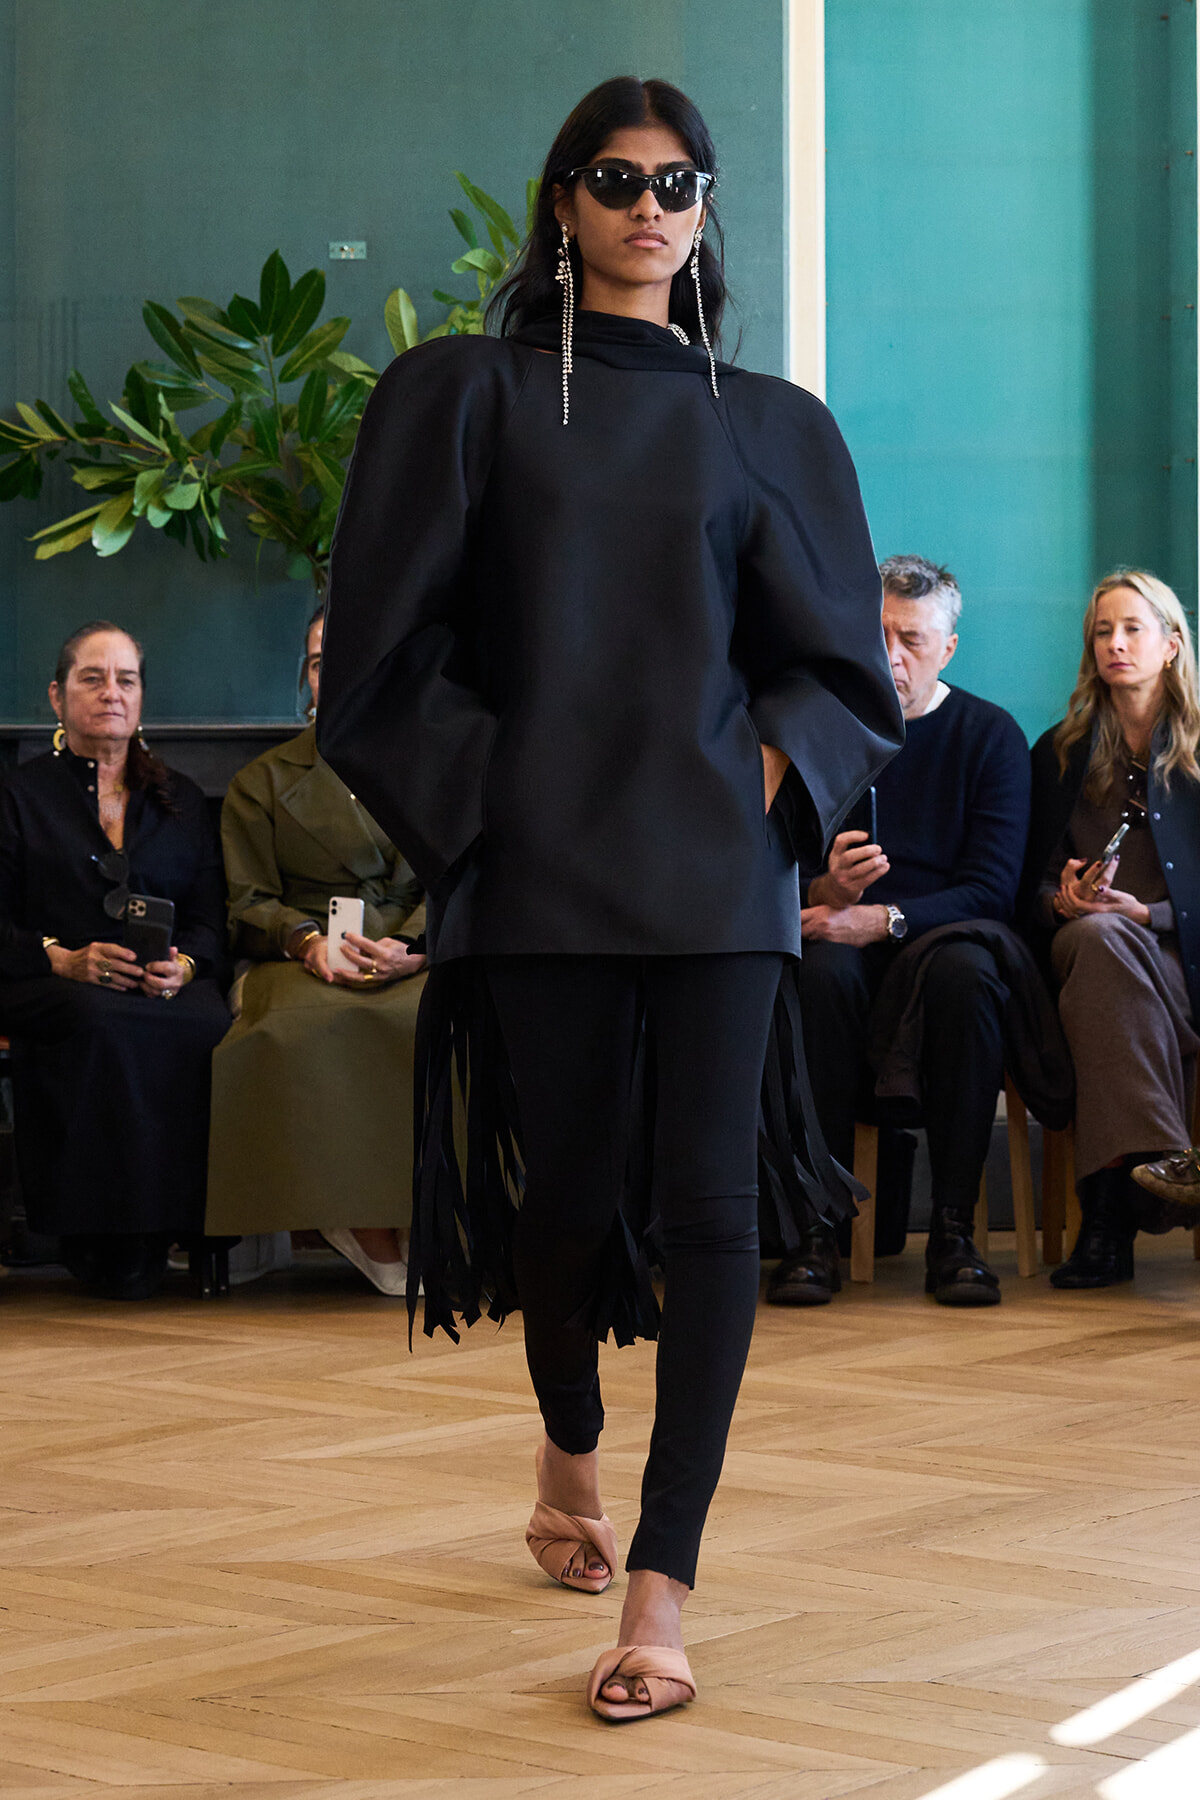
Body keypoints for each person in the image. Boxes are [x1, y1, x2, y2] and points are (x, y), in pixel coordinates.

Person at [317, 76, 903, 1722]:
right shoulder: (463, 395)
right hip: (542, 873)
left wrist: (763, 791)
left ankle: (664, 1587)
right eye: (615, 177)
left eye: (680, 182)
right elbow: (375, 663)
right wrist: (506, 804)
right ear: (562, 200)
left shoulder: (773, 422)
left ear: (708, 211)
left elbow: (846, 671)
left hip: (717, 874)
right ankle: (567, 1448)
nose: (651, 205)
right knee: (567, 1205)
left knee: (712, 1210)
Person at [770, 556, 1032, 1308]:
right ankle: (814, 1231)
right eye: (878, 633)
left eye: (912, 638)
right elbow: (774, 869)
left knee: (966, 976)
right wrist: (827, 889)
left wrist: (880, 918)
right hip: (836, 945)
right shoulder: (818, 733)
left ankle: (953, 1231)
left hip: (940, 944)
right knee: (818, 972)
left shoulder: (989, 736)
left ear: (947, 648)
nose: (891, 654)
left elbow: (993, 890)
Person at [0, 621, 229, 1299]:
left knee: (208, 1025)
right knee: (101, 1021)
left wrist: (184, 967)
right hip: (44, 980)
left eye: (125, 679)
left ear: (141, 697)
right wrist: (60, 960)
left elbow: (211, 920)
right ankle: (102, 1238)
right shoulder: (17, 796)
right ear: (56, 696)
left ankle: (183, 1228)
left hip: (160, 983)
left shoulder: (180, 799)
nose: (110, 693)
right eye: (91, 678)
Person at [204, 606, 428, 1291]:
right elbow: (247, 902)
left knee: (446, 1016)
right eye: (320, 660)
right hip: (301, 956)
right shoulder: (263, 783)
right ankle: (356, 1212)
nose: (336, 670)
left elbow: (468, 876)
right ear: (305, 680)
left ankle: (435, 1211)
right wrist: (306, 944)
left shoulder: (436, 768)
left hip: (416, 949)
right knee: (310, 1023)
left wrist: (416, 945)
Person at [1022, 569, 1200, 1285]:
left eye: (1133, 629)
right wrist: (1060, 900)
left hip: (1178, 963)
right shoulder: (1057, 754)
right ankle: (1168, 1159)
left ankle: (1107, 1220)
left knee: (1113, 951)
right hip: (1080, 948)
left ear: (1171, 644)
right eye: (1103, 632)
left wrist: (1149, 913)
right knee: (1099, 941)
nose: (1116, 644)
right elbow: (1022, 888)